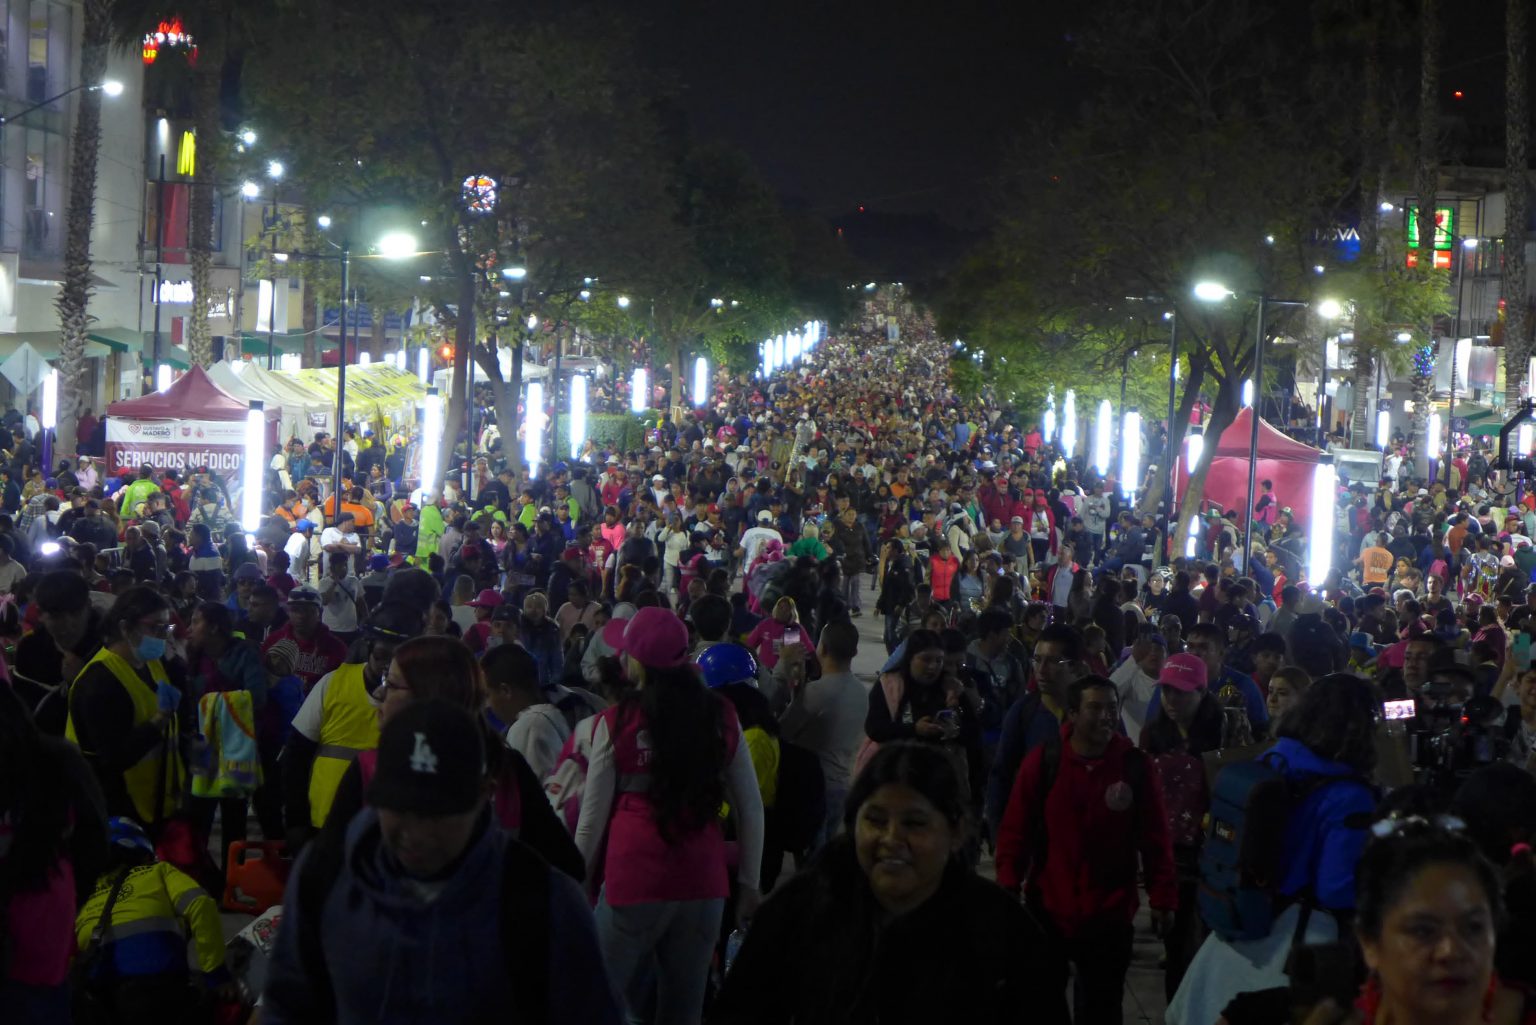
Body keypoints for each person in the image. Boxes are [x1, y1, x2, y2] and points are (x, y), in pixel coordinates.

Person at [262, 701, 621, 1025]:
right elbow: (288, 1004)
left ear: (484, 795)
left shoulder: (541, 900)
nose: (416, 834)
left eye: (437, 814)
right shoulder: (326, 877)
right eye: (401, 809)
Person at [709, 742, 1055, 1025]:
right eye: (875, 820)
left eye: (914, 823)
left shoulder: (1000, 929)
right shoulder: (800, 911)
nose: (892, 838)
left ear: (956, 832)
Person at [574, 606, 764, 1025]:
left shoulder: (615, 721)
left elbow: (591, 819)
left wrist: (576, 882)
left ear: (636, 661)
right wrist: (749, 883)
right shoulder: (721, 716)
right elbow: (750, 806)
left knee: (600, 1001)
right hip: (703, 882)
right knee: (683, 1009)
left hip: (633, 882)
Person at [1169, 674, 1381, 1025]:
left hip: (1242, 922)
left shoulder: (1277, 756)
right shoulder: (1349, 795)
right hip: (1294, 943)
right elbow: (1336, 888)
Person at [0, 685, 108, 1022]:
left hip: (38, 929)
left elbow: (92, 843)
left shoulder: (55, 765)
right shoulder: (59, 762)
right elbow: (93, 843)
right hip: (46, 920)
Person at [282, 602, 420, 843]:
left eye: (398, 661)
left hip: (384, 828)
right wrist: (296, 819)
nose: (388, 668)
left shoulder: (419, 698)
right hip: (324, 820)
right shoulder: (333, 683)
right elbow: (296, 755)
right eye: (381, 657)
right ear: (367, 648)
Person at [72, 817, 229, 1025]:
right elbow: (200, 904)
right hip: (160, 989)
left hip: (101, 1001)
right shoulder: (158, 871)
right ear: (144, 851)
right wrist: (216, 975)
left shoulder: (86, 897)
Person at [64, 586, 191, 826]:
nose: (163, 636)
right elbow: (111, 758)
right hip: (116, 812)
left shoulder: (151, 663)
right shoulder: (99, 682)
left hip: (157, 803)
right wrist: (158, 722)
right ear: (125, 627)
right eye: (155, 628)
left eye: (167, 628)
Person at [778, 621, 868, 849]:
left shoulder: (816, 692)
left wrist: (786, 673)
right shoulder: (861, 691)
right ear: (855, 652)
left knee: (811, 857)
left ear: (822, 650)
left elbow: (783, 731)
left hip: (813, 786)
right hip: (841, 783)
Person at [484, 643, 570, 779]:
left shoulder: (528, 727)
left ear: (505, 691)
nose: (487, 705)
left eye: (488, 695)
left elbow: (528, 794)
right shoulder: (553, 713)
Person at [260, 585, 348, 692]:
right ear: (288, 612)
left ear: (319, 613)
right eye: (295, 610)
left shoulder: (336, 648)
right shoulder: (273, 640)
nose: (301, 615)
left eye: (309, 611)